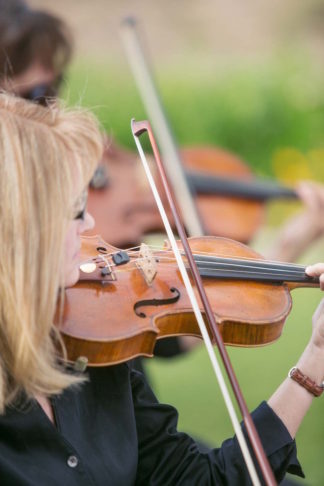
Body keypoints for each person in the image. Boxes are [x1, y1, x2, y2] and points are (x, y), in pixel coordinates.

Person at [1, 91, 324, 485]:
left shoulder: (95, 349)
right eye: (75, 210)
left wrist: (314, 361)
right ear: (18, 229)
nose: (89, 226)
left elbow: (199, 479)